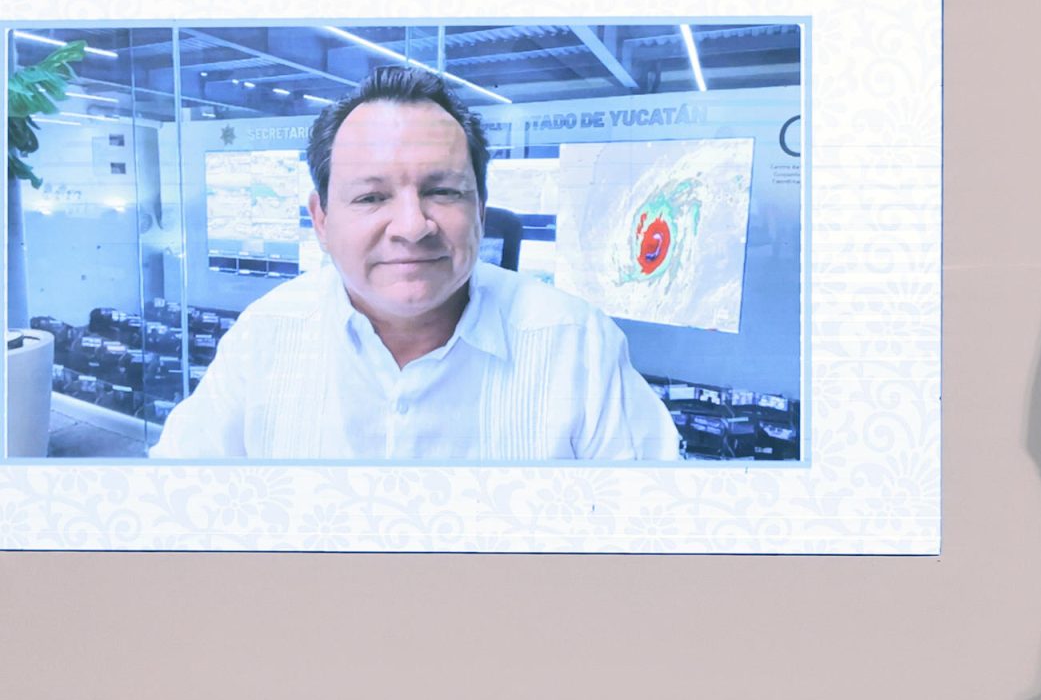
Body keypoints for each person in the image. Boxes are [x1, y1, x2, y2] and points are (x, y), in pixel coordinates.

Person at [150, 66, 681, 460]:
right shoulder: (265, 336)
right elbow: (175, 509)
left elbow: (658, 535)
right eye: (371, 197)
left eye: (443, 191)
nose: (412, 225)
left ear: (480, 204)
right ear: (321, 219)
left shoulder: (577, 344)